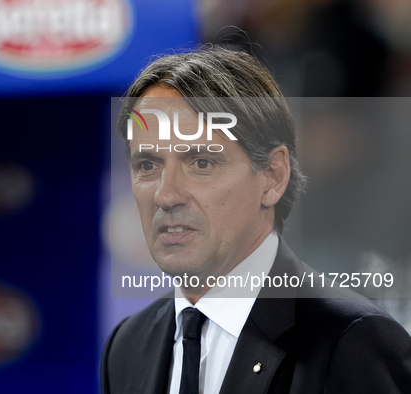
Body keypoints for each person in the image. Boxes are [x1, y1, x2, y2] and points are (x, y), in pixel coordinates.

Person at [101, 46, 411, 394]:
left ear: (273, 175)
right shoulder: (125, 346)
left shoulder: (352, 341)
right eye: (147, 165)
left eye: (201, 163)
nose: (166, 195)